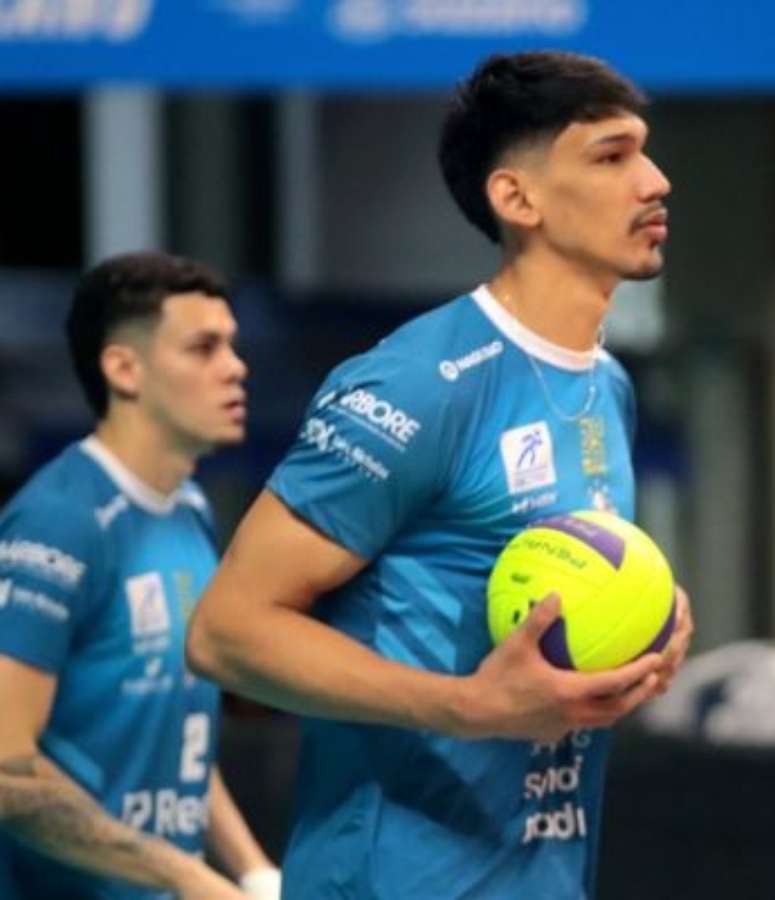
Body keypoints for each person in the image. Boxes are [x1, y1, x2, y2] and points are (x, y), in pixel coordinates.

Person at [186, 50, 694, 898]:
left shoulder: (605, 385)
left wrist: (642, 634)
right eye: (611, 157)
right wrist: (471, 706)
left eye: (644, 151)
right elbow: (225, 634)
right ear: (517, 199)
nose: (655, 181)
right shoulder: (418, 383)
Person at [0, 252, 279, 899]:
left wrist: (253, 871)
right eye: (204, 348)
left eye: (232, 345)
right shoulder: (58, 521)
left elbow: (177, 735)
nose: (235, 367)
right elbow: (6, 769)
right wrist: (182, 874)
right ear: (124, 369)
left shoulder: (190, 509)